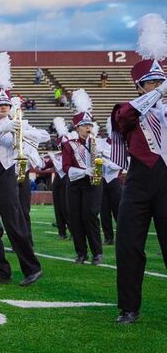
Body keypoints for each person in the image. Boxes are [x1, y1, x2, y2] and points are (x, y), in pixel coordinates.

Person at [112, 15, 167, 323]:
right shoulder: (127, 106)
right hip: (138, 181)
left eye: (160, 82)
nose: (157, 87)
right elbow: (124, 120)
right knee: (129, 245)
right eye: (151, 83)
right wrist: (156, 95)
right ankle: (129, 307)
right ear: (139, 85)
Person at [0, 52, 46, 287]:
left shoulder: (18, 123)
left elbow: (42, 136)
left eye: (6, 104)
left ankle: (31, 268)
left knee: (14, 223)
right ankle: (1, 271)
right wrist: (7, 127)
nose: (3, 108)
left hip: (7, 176)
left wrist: (23, 130)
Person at [61, 89, 104, 265]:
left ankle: (97, 253)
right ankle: (81, 253)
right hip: (75, 184)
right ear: (77, 127)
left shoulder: (98, 143)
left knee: (90, 216)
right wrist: (84, 171)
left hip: (93, 185)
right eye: (85, 125)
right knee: (76, 218)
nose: (88, 128)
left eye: (90, 125)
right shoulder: (69, 145)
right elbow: (65, 167)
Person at [98, 118, 124, 246]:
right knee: (104, 212)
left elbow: (120, 165)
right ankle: (108, 237)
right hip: (102, 181)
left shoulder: (120, 145)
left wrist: (106, 161)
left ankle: (123, 236)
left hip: (114, 181)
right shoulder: (102, 144)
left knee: (118, 211)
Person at [49, 118, 70, 240]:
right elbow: (44, 165)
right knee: (58, 207)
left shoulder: (71, 155)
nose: (62, 148)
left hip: (67, 180)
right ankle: (61, 231)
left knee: (66, 207)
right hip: (57, 181)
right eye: (61, 146)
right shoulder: (56, 155)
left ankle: (73, 230)